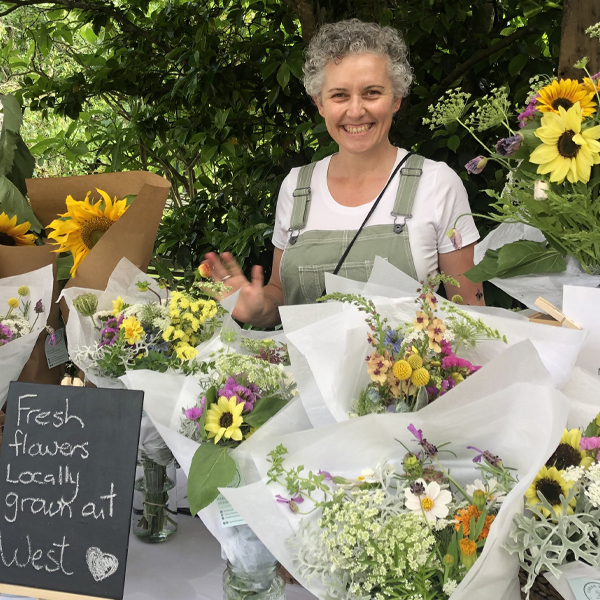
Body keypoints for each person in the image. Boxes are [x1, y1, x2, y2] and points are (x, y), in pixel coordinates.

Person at [205, 19, 483, 327]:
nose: (355, 111)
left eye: (372, 93)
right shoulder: (296, 188)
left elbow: (470, 311)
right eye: (339, 95)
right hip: (301, 375)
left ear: (397, 99)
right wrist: (258, 310)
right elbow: (280, 295)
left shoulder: (437, 184)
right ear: (319, 103)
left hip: (408, 375)